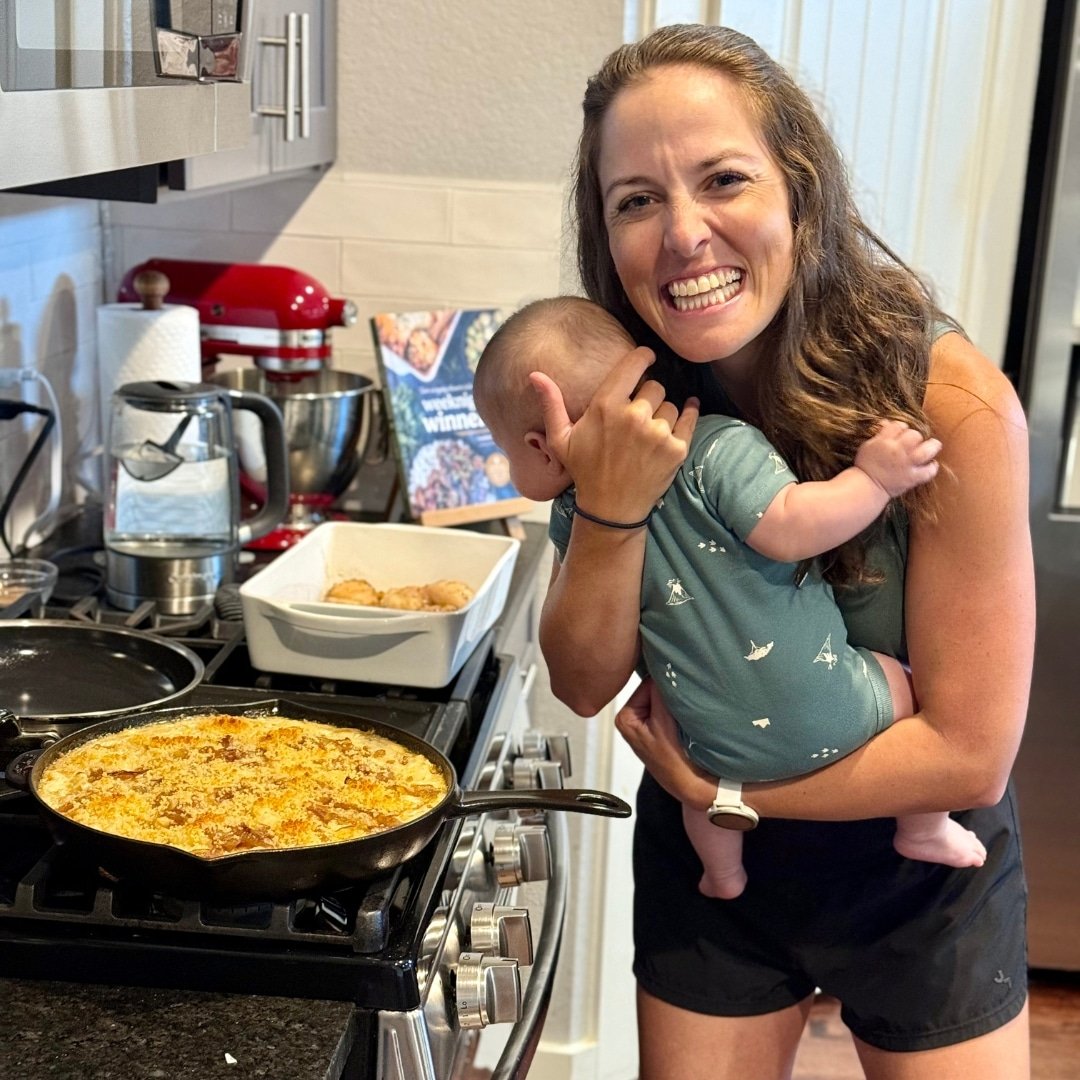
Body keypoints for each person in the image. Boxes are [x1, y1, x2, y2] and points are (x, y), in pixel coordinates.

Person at [532, 23, 1034, 1080]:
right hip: (718, 882)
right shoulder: (626, 405)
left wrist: (722, 791)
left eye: (722, 179)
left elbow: (968, 752)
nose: (682, 236)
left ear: (800, 193)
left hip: (918, 869)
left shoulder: (946, 407)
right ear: (605, 235)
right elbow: (582, 684)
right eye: (636, 201)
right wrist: (613, 510)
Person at [474, 295, 985, 900]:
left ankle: (723, 873)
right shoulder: (715, 447)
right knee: (901, 682)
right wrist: (872, 479)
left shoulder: (574, 517)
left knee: (700, 800)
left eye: (503, 452)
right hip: (838, 711)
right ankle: (922, 826)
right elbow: (794, 527)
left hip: (708, 748)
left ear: (540, 445)